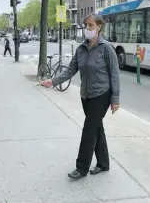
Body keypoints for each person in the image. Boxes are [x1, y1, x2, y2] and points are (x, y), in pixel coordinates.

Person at [41, 14, 120, 181]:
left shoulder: (106, 48)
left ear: (99, 27)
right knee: (96, 127)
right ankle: (104, 163)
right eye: (86, 25)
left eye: (91, 25)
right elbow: (71, 70)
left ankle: (81, 167)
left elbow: (115, 75)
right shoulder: (81, 49)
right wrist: (53, 81)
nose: (87, 29)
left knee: (89, 129)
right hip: (86, 95)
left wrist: (115, 99)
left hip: (102, 94)